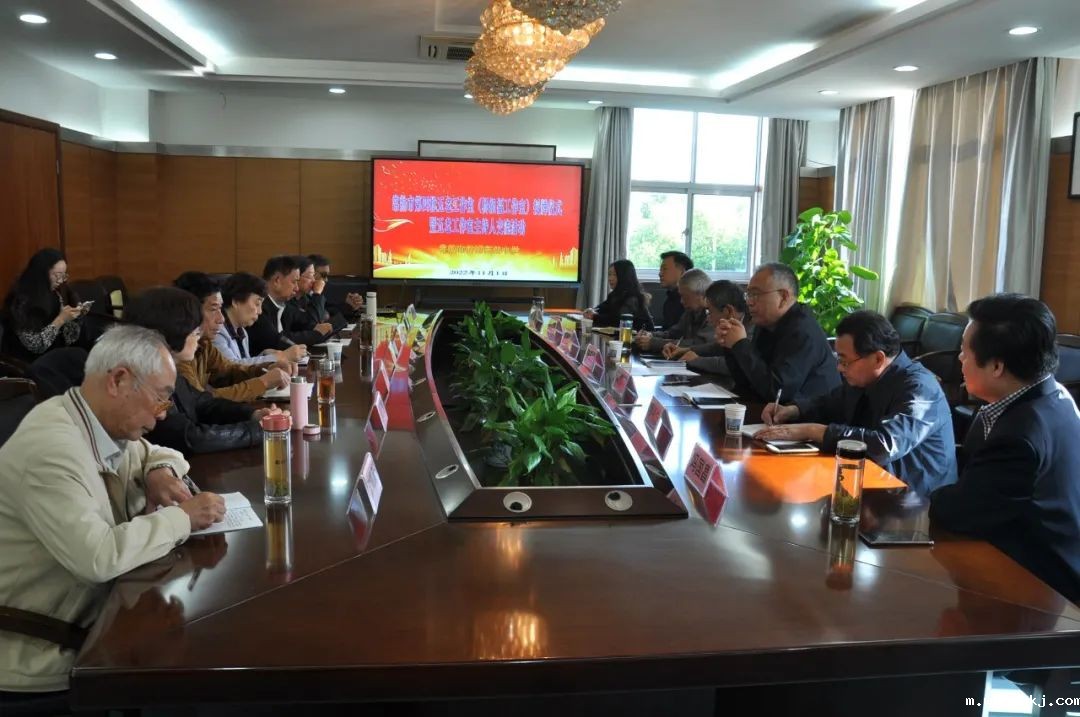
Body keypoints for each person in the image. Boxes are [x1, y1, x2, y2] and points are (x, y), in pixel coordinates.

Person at [0, 324, 225, 693]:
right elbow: (98, 558)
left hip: (103, 613)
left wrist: (159, 470)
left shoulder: (95, 422)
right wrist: (183, 517)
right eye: (161, 398)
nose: (163, 414)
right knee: (199, 664)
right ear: (119, 380)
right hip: (45, 648)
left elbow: (157, 453)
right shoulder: (51, 449)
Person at [930, 294, 1080, 603]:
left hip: (1038, 586)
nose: (959, 359)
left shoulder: (1019, 437)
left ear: (997, 366)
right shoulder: (1053, 394)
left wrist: (932, 489)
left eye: (964, 352)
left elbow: (959, 512)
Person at [756, 310, 957, 495]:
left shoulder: (920, 389)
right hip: (867, 483)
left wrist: (815, 431)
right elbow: (830, 402)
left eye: (845, 361)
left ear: (878, 359)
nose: (839, 368)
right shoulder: (865, 376)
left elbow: (884, 445)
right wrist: (793, 410)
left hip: (913, 499)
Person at [124, 287, 270, 454]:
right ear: (173, 330)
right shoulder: (145, 376)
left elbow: (203, 403)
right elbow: (188, 437)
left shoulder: (171, 368)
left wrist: (252, 414)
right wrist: (257, 430)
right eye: (195, 331)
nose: (199, 337)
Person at [715, 262, 840, 404]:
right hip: (770, 411)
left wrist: (740, 345)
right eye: (748, 295)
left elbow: (777, 392)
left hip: (810, 415)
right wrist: (731, 346)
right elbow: (747, 381)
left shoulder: (803, 331)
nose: (749, 302)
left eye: (755, 294)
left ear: (783, 297)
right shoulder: (766, 324)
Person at [173, 272, 290, 403]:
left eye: (220, 309)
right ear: (191, 312)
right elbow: (200, 402)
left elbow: (228, 371)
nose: (221, 319)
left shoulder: (204, 343)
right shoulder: (178, 353)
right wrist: (263, 383)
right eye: (213, 309)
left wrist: (266, 369)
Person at [0, 248, 86, 362]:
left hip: (52, 357)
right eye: (57, 275)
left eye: (63, 276)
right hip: (26, 363)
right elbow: (36, 345)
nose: (61, 281)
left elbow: (69, 339)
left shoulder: (54, 295)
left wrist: (75, 319)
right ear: (42, 274)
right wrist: (60, 319)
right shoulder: (20, 301)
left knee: (81, 355)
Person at [216, 272, 307, 367]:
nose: (260, 311)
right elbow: (232, 368)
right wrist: (280, 357)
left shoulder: (241, 331)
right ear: (236, 301)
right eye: (257, 304)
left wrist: (264, 355)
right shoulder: (217, 331)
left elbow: (244, 367)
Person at [247, 256, 333, 356]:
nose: (296, 288)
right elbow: (276, 341)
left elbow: (305, 321)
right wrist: (317, 334)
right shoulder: (259, 307)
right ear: (277, 280)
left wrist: (317, 328)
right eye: (294, 282)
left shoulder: (283, 305)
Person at [675, 280, 750, 376]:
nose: (708, 318)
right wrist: (686, 349)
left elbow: (736, 365)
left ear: (728, 311)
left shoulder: (752, 328)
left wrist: (697, 360)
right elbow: (716, 348)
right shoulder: (737, 323)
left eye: (709, 312)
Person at [634, 268, 712, 356]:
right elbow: (673, 333)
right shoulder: (691, 312)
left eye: (685, 296)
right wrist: (650, 335)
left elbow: (697, 344)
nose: (681, 301)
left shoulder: (713, 315)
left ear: (701, 294)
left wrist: (654, 343)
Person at [583, 259, 653, 330]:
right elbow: (601, 308)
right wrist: (591, 310)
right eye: (609, 274)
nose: (610, 278)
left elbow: (618, 322)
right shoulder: (614, 295)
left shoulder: (632, 298)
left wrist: (594, 316)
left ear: (625, 276)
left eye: (614, 275)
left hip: (641, 336)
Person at [292, 256, 347, 334]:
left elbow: (328, 312)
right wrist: (317, 293)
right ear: (296, 277)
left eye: (313, 275)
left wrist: (349, 307)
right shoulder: (287, 302)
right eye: (310, 276)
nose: (313, 280)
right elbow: (313, 325)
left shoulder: (305, 297)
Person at [308, 254, 364, 320]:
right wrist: (317, 294)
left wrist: (351, 306)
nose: (326, 280)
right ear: (310, 273)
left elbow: (331, 311)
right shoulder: (300, 295)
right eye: (323, 275)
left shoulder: (326, 289)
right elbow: (315, 317)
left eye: (327, 276)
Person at [658, 251, 693, 330]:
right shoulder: (670, 299)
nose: (660, 274)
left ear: (682, 272)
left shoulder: (691, 301)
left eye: (665, 269)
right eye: (660, 270)